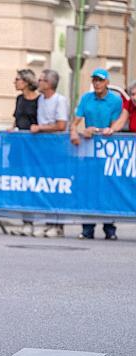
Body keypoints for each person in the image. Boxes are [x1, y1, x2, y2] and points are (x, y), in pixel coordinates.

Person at [70, 68, 123, 240]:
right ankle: (87, 228)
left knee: (108, 187)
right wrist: (77, 132)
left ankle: (109, 228)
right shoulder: (86, 98)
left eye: (100, 80)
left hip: (107, 150)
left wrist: (99, 130)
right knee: (89, 187)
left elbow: (114, 125)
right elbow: (76, 122)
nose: (97, 83)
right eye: (94, 80)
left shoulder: (115, 100)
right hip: (89, 149)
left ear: (107, 82)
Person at [30, 69, 69, 238]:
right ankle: (48, 222)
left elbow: (61, 125)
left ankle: (57, 224)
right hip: (42, 150)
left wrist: (41, 128)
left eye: (41, 80)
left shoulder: (60, 100)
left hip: (57, 149)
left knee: (56, 186)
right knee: (46, 185)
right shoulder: (40, 100)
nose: (38, 82)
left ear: (49, 84)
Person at [11, 69, 40, 236]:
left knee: (36, 183)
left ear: (26, 81)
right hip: (20, 146)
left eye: (17, 79)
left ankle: (43, 220)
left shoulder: (39, 99)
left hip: (35, 146)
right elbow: (17, 120)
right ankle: (26, 221)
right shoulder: (19, 99)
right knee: (23, 183)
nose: (15, 82)